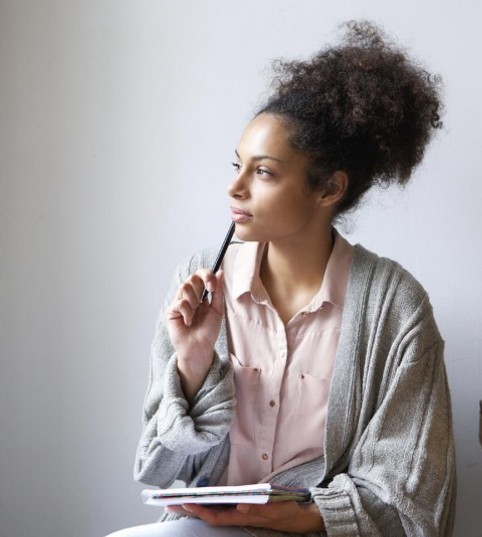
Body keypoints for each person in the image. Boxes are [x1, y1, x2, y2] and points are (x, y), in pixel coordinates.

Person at [108, 20, 455, 537]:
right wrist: (193, 361)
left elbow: (410, 495)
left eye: (264, 172)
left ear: (328, 189)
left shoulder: (395, 308)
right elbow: (159, 469)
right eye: (237, 165)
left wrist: (306, 516)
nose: (235, 187)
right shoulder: (201, 284)